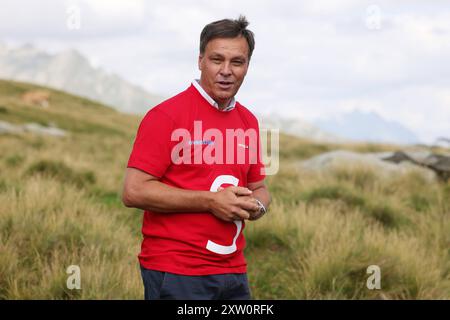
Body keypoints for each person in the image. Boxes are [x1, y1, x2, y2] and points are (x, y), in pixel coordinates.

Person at [122, 15, 271, 300]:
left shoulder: (248, 121)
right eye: (217, 60)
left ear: (247, 67)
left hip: (234, 273)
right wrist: (210, 201)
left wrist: (257, 207)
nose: (226, 71)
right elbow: (133, 191)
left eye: (237, 62)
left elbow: (260, 189)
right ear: (200, 60)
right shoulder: (165, 116)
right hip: (178, 273)